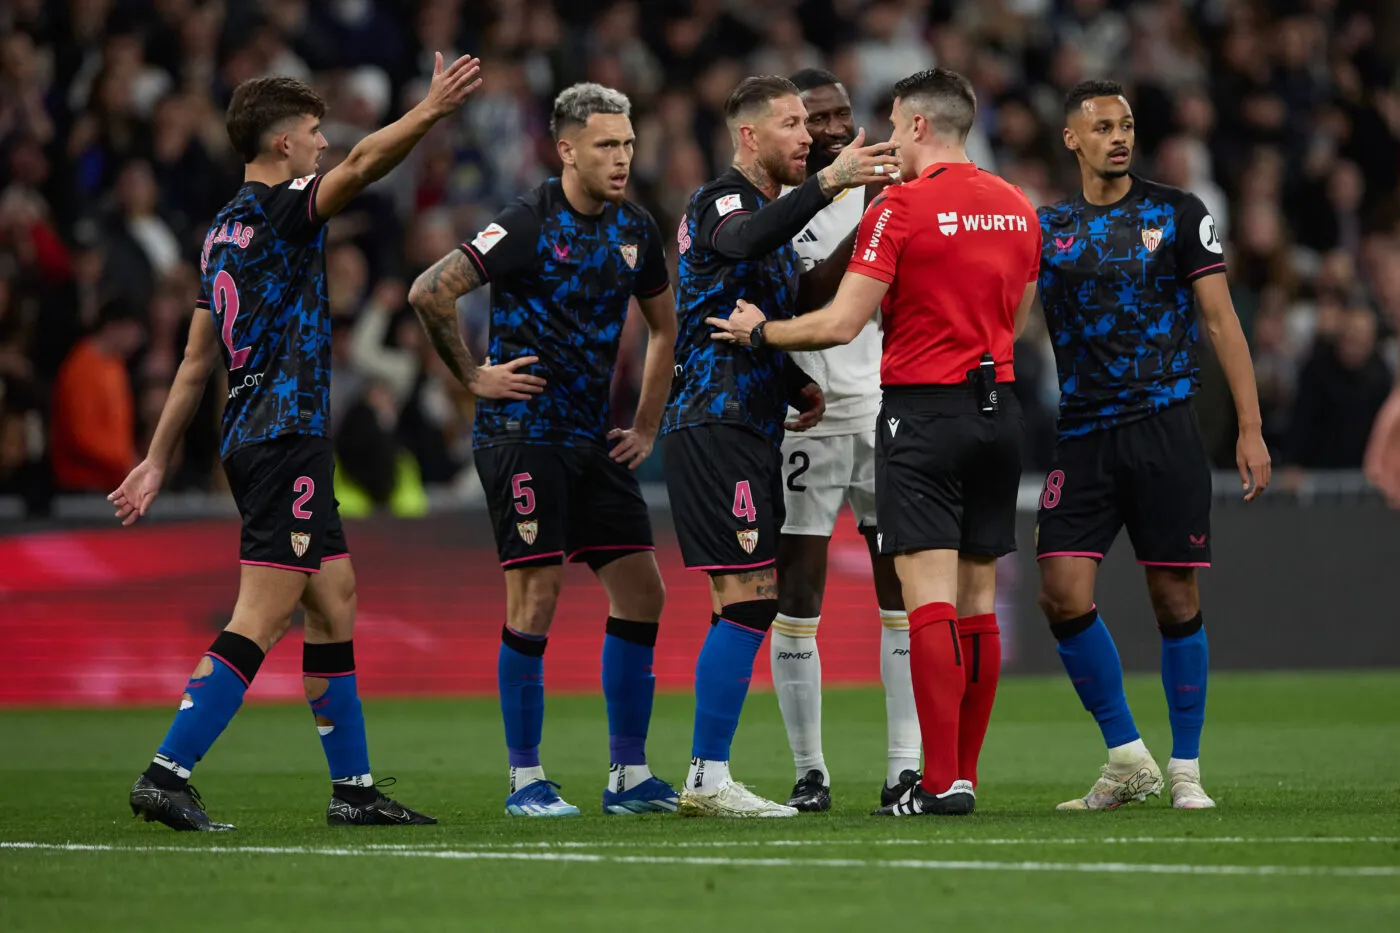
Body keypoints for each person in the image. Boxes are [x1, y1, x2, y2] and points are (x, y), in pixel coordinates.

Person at [109, 56, 486, 831]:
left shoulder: (220, 231)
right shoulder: (284, 210)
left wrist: (154, 456)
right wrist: (428, 112)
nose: (323, 143)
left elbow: (194, 360)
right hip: (285, 435)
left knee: (334, 596)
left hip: (254, 434)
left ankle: (352, 789)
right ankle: (165, 771)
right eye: (313, 132)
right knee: (264, 612)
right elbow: (365, 166)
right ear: (281, 144)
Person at [713, 67, 1040, 817]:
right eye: (810, 118)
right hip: (993, 407)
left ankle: (925, 776)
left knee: (921, 600)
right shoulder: (1018, 206)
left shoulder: (897, 205)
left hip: (913, 411)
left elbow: (838, 320)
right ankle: (948, 775)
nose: (848, 130)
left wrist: (758, 333)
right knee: (972, 601)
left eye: (885, 120)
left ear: (919, 126)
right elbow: (1018, 315)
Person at [407, 83, 679, 818]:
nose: (622, 159)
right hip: (522, 434)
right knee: (537, 594)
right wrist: (471, 376)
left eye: (626, 144)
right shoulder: (527, 221)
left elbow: (665, 325)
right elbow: (430, 291)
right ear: (566, 149)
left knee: (644, 590)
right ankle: (525, 779)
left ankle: (628, 775)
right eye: (605, 146)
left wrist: (647, 424)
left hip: (592, 437)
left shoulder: (635, 226)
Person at [660, 74, 897, 817]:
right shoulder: (723, 201)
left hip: (749, 421)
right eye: (793, 123)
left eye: (810, 123)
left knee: (743, 598)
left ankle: (706, 771)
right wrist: (833, 181)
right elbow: (737, 244)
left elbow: (796, 302)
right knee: (753, 598)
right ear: (749, 136)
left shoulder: (771, 216)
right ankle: (706, 774)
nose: (807, 135)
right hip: (714, 419)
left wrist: (798, 383)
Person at [1036, 80, 1271, 811]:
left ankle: (1187, 767)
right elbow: (1008, 318)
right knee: (1061, 589)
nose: (1119, 136)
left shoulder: (1178, 213)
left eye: (1127, 124)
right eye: (1102, 125)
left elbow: (1222, 322)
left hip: (1165, 425)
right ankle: (1126, 757)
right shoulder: (1046, 228)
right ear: (1071, 138)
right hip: (1082, 432)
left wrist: (1250, 425)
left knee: (1174, 595)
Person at [767, 68, 918, 813]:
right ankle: (809, 769)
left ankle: (903, 765)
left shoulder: (891, 185)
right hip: (810, 417)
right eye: (814, 117)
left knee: (901, 591)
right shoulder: (783, 200)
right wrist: (873, 212)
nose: (831, 127)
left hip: (886, 410)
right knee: (798, 592)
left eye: (840, 114)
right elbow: (809, 294)